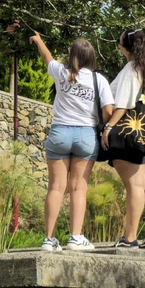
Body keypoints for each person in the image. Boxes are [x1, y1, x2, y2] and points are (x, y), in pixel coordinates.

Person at [30, 30, 114, 252]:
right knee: (78, 188)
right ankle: (75, 237)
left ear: (72, 55)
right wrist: (102, 123)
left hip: (60, 133)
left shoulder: (61, 72)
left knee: (56, 187)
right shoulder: (99, 80)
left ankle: (49, 240)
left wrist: (39, 40)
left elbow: (48, 58)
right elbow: (108, 110)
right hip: (86, 135)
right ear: (91, 57)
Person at [101, 28, 145, 250]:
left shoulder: (131, 68)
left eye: (120, 44)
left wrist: (108, 127)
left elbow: (124, 103)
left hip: (132, 129)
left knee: (135, 186)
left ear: (128, 48)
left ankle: (129, 238)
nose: (119, 47)